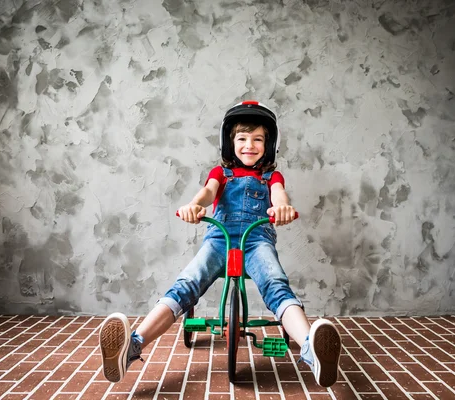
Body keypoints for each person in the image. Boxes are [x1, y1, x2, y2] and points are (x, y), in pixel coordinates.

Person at [99, 100, 342, 387]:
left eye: (257, 139)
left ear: (269, 144)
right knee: (187, 283)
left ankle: (312, 351)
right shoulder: (220, 173)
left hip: (256, 241)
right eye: (242, 138)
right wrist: (194, 206)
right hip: (219, 240)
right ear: (230, 143)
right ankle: (131, 347)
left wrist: (282, 209)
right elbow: (206, 193)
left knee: (276, 285)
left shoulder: (271, 176)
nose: (249, 145)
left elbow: (279, 196)